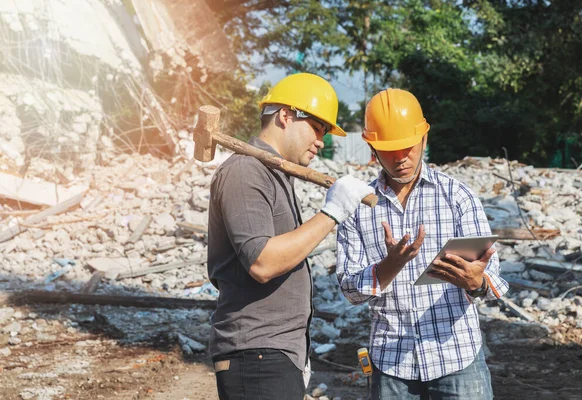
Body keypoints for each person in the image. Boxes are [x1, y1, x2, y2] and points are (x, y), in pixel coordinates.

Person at [208, 72, 375, 400]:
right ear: (286, 115)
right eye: (317, 128)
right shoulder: (245, 171)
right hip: (256, 354)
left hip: (274, 354)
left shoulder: (273, 174)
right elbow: (263, 262)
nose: (321, 141)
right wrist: (332, 213)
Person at [336, 88, 509, 399]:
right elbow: (349, 289)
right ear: (371, 146)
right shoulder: (358, 207)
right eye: (389, 149)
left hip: (457, 358)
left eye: (408, 146)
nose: (401, 157)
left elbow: (492, 276)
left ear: (424, 138)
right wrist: (388, 267)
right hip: (391, 365)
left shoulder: (457, 197)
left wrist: (476, 281)